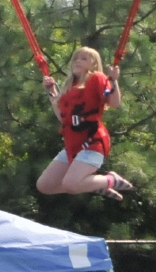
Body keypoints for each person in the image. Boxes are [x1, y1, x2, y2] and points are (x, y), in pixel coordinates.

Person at [35, 46, 133, 200]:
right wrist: (51, 93)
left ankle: (110, 180)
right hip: (72, 144)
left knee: (70, 184)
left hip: (92, 142)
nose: (78, 61)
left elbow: (114, 103)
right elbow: (63, 119)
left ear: (93, 64)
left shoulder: (97, 78)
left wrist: (113, 80)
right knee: (44, 186)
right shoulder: (69, 88)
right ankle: (94, 184)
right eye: (76, 58)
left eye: (84, 59)